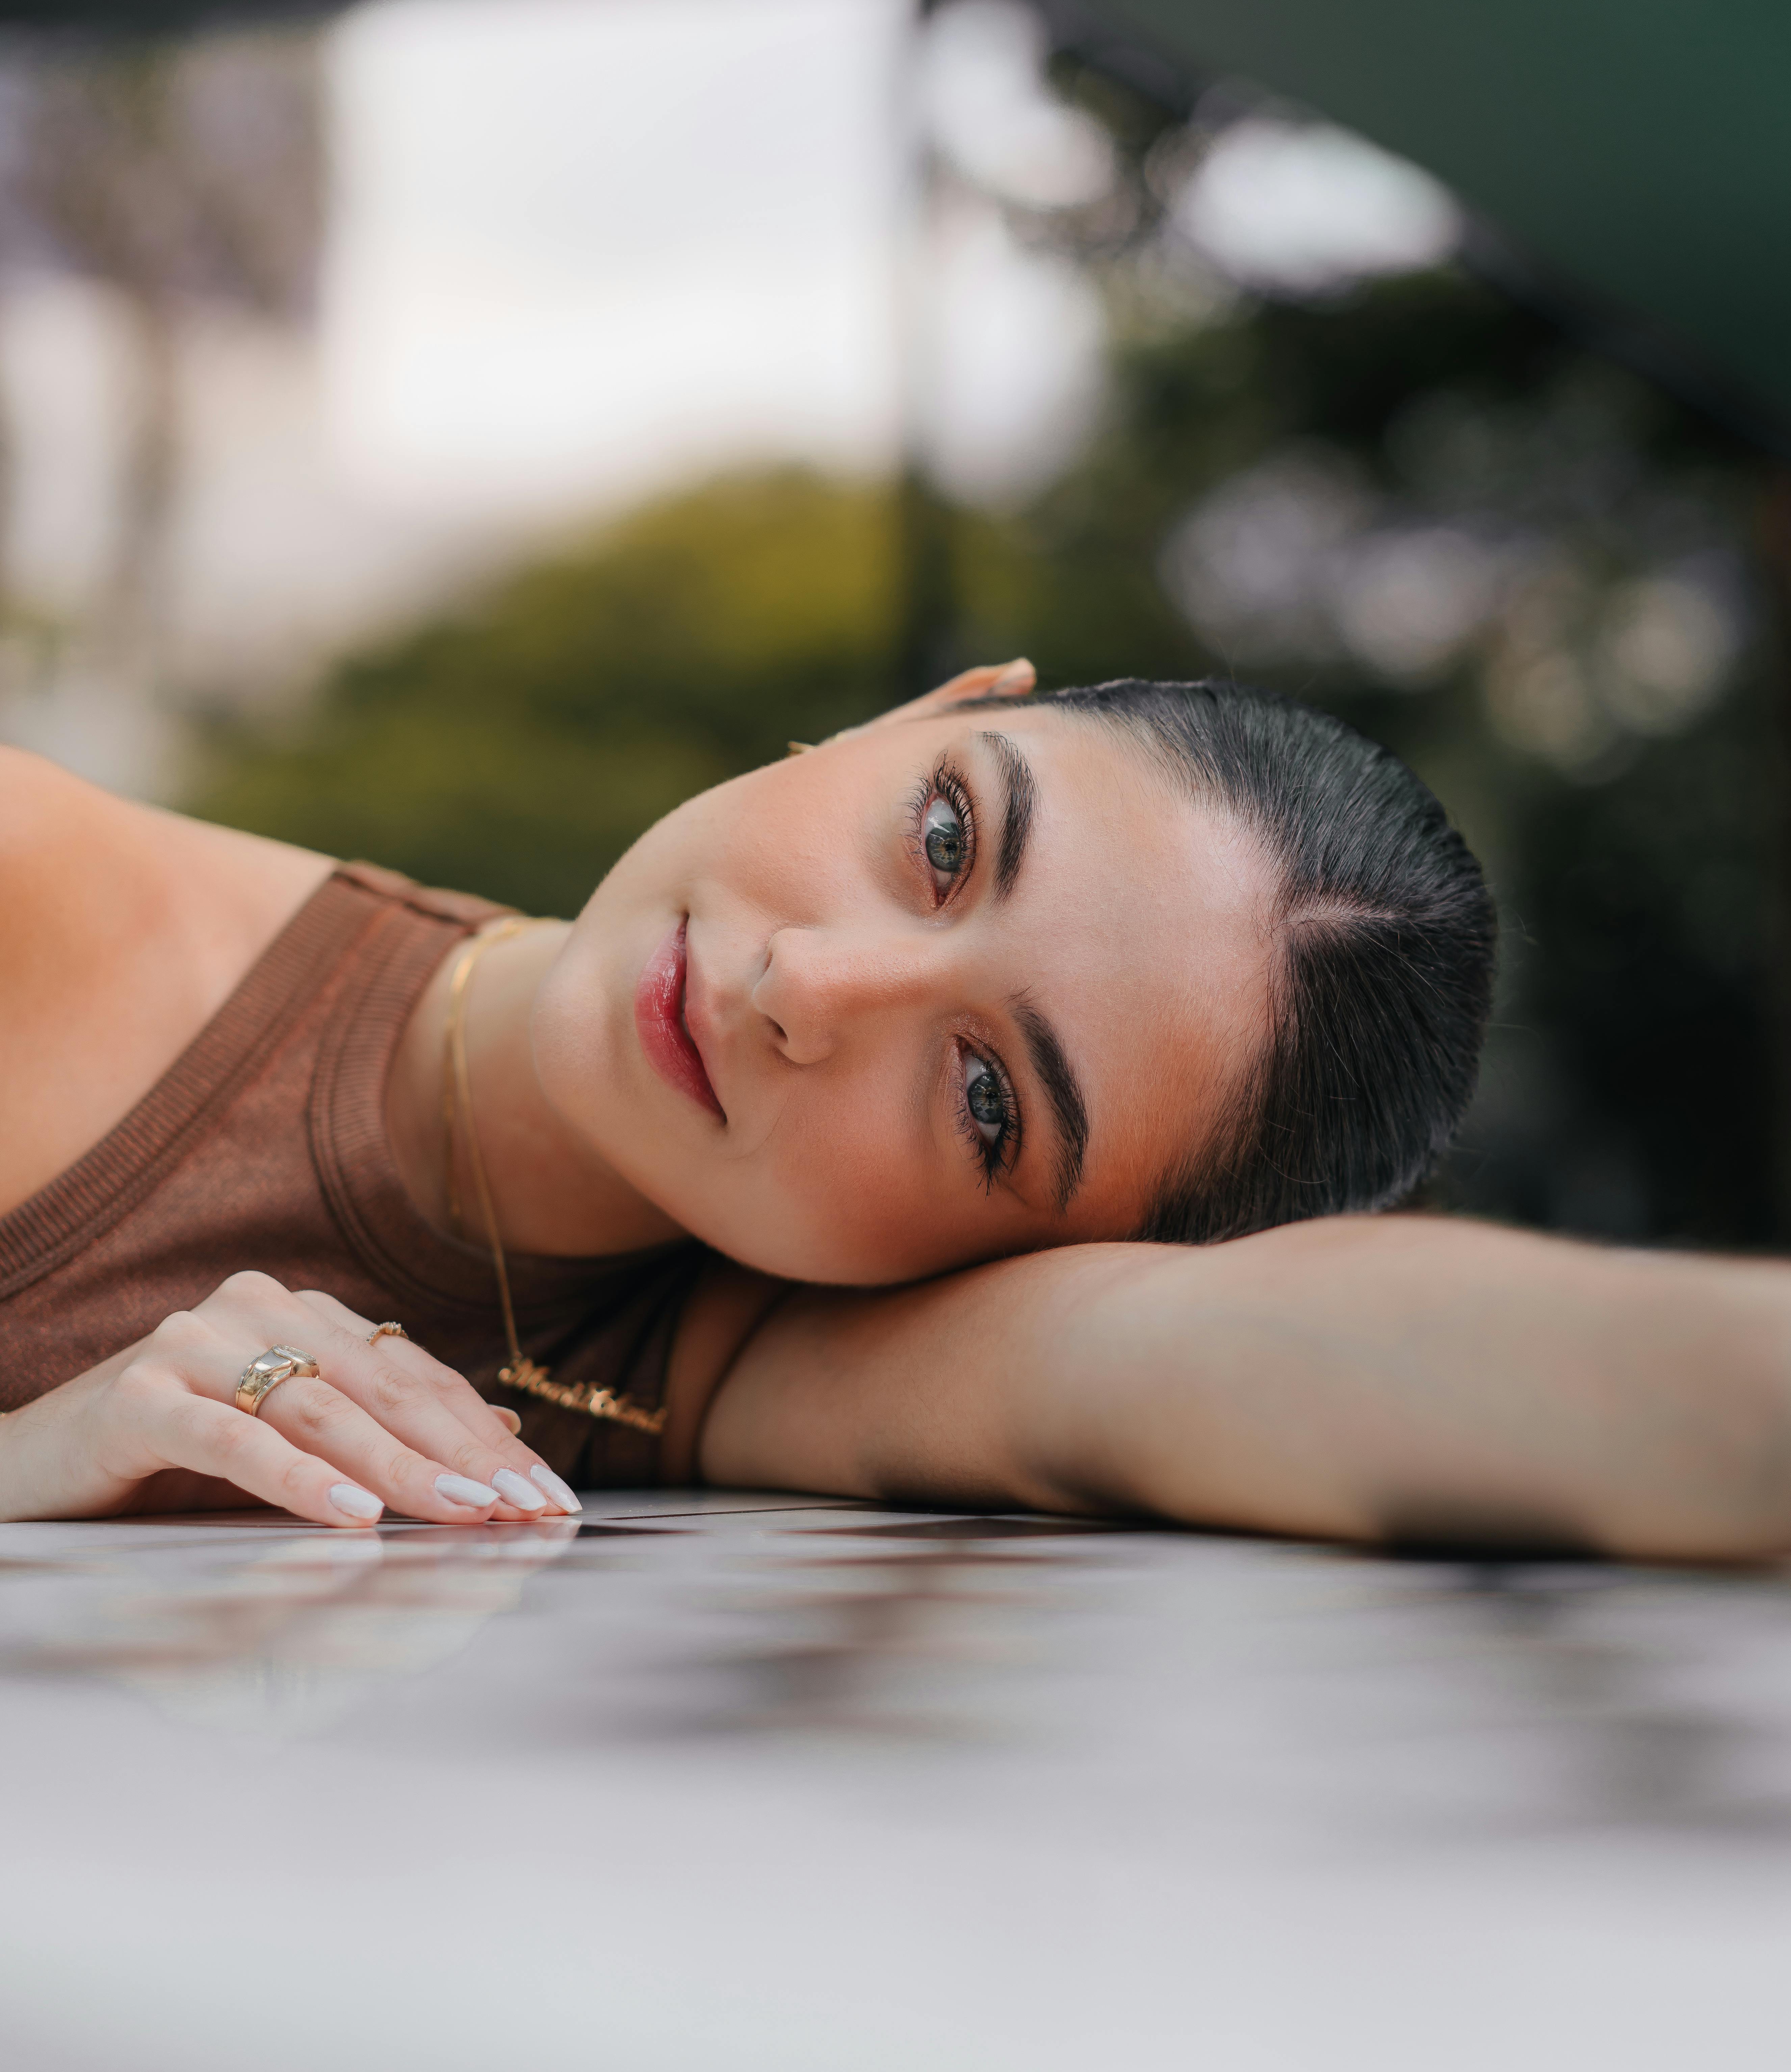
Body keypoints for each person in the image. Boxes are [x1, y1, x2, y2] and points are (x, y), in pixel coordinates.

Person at [3, 661, 1788, 1561]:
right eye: (945, 838)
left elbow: (1262, 1353)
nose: (811, 989)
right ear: (915, 715)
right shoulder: (45, 902)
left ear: (1010, 1264)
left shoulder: (728, 1365)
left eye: (990, 1100)